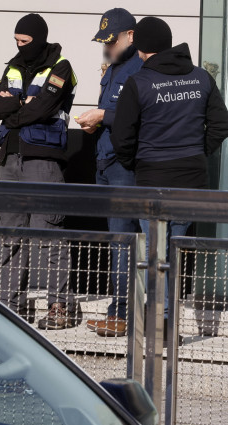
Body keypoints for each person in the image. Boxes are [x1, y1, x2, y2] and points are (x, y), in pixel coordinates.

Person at [111, 16, 228, 322]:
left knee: (156, 254)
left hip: (153, 181)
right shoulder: (201, 77)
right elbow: (222, 126)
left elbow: (122, 136)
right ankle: (168, 316)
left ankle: (161, 321)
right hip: (190, 181)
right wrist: (196, 153)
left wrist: (135, 163)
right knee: (176, 253)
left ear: (141, 48)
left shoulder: (140, 82)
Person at [0, 13, 81, 329]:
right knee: (11, 235)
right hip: (10, 159)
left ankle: (60, 308)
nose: (19, 46)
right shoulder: (12, 66)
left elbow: (44, 107)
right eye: (16, 41)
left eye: (24, 41)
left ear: (38, 40)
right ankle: (13, 306)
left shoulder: (61, 66)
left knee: (49, 235)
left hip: (44, 160)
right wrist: (19, 104)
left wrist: (13, 109)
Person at [75, 8, 143, 338]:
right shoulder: (115, 67)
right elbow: (113, 113)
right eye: (104, 42)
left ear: (131, 36)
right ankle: (120, 311)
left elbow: (139, 115)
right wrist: (96, 123)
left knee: (123, 242)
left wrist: (102, 115)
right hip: (105, 161)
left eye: (112, 41)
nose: (108, 47)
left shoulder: (142, 68)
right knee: (117, 241)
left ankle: (122, 315)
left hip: (124, 167)